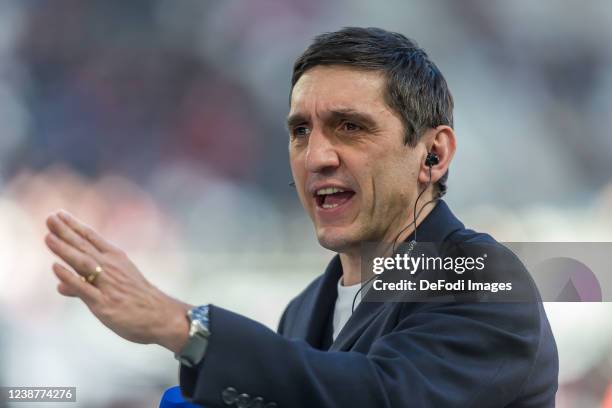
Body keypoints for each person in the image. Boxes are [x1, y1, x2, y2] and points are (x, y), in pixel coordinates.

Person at [44, 27, 558, 407]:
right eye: (300, 131)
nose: (316, 156)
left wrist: (184, 327)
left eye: (350, 127)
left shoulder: (486, 276)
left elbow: (378, 397)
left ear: (433, 155)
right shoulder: (303, 310)